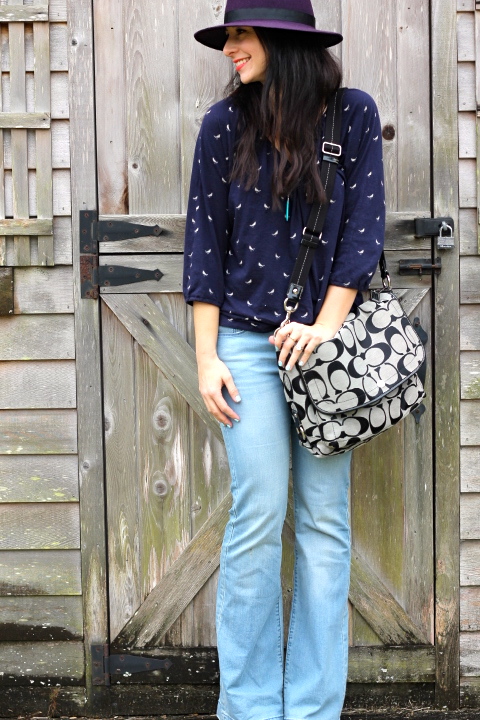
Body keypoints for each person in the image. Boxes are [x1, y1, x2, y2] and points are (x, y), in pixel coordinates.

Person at [183, 2, 385, 719]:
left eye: (241, 34)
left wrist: (326, 327)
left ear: (283, 41)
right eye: (229, 36)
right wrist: (206, 357)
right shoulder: (223, 126)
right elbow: (204, 245)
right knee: (257, 517)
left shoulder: (351, 116)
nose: (230, 48)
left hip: (327, 350)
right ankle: (248, 709)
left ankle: (313, 709)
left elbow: (364, 231)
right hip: (244, 343)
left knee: (324, 525)